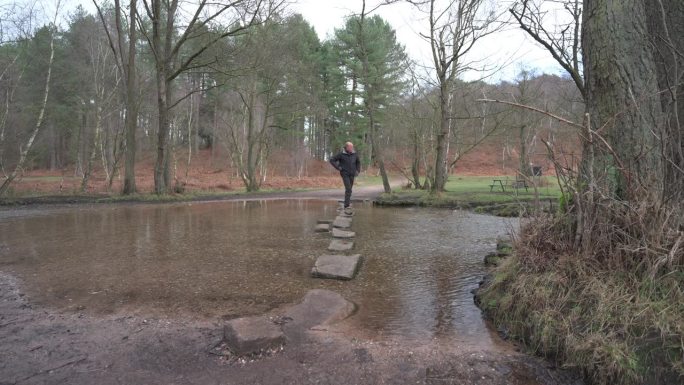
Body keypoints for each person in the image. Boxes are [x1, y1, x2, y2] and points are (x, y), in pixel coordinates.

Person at [329, 142, 361, 213]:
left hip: (352, 174)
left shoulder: (355, 154)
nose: (352, 148)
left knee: (350, 189)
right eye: (350, 147)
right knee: (348, 188)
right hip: (344, 174)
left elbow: (358, 162)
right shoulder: (341, 154)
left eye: (352, 147)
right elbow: (332, 160)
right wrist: (338, 167)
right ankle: (347, 205)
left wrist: (358, 170)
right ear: (346, 147)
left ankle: (347, 202)